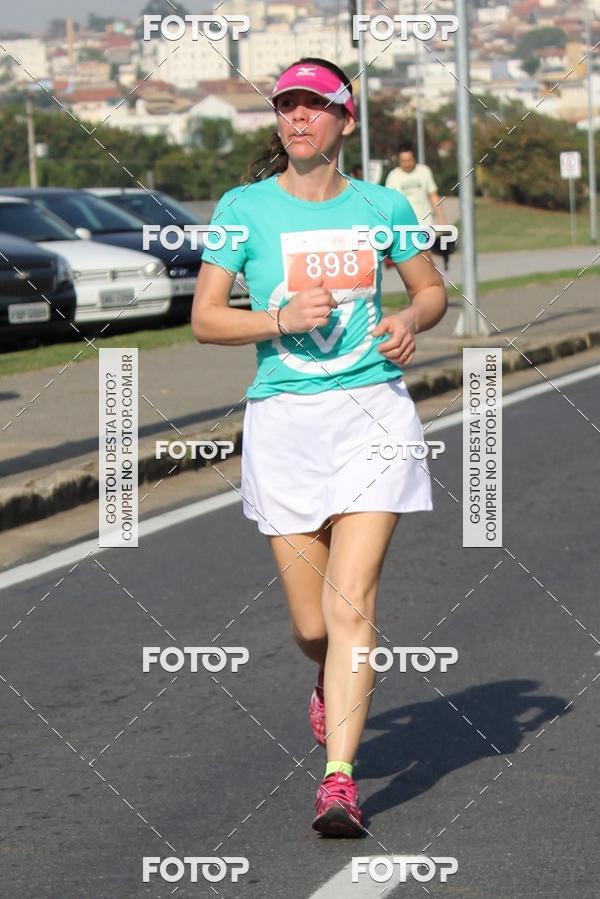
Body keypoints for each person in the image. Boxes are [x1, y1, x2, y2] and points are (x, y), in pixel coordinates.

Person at [191, 57, 447, 837]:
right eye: (287, 107)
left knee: (351, 602)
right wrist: (279, 320)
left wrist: (410, 320)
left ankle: (339, 780)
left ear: (344, 120)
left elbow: (429, 288)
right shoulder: (245, 209)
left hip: (372, 412)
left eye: (314, 106)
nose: (298, 118)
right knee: (312, 625)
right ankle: (326, 680)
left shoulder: (382, 205)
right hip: (285, 422)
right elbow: (205, 319)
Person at [384, 143, 447, 227]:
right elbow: (388, 202)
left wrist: (441, 219)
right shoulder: (393, 176)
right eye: (404, 161)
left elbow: (433, 196)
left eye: (409, 160)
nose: (407, 164)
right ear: (399, 161)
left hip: (425, 224)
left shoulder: (424, 171)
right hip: (403, 226)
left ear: (414, 158)